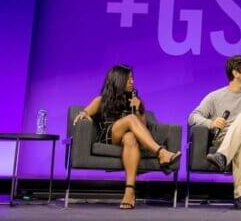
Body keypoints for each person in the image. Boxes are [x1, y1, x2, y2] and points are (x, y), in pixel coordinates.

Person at [73, 64, 181, 209]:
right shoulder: (101, 100)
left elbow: (142, 128)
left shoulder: (135, 100)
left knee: (130, 137)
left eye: (132, 78)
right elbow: (85, 112)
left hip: (127, 139)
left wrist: (138, 110)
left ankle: (129, 191)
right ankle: (161, 152)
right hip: (109, 136)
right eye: (128, 78)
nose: (132, 82)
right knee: (130, 119)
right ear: (118, 80)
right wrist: (83, 114)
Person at [188, 55, 241, 210]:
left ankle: (222, 156)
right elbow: (193, 117)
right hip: (225, 139)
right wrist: (211, 123)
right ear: (235, 73)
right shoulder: (215, 96)